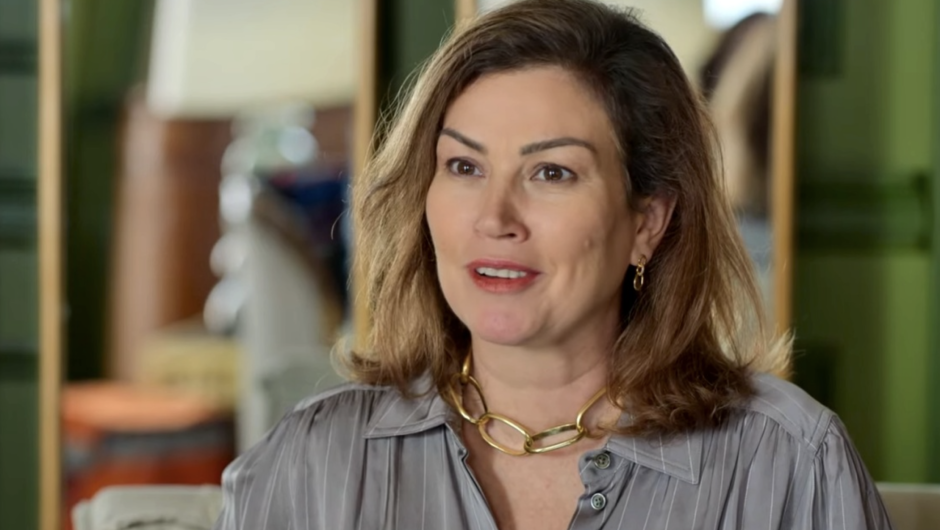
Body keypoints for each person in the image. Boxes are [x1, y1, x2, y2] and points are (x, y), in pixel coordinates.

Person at [213, 1, 892, 528]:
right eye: (464, 166)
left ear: (647, 223)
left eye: (552, 172)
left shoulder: (791, 465)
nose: (495, 217)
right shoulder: (311, 462)